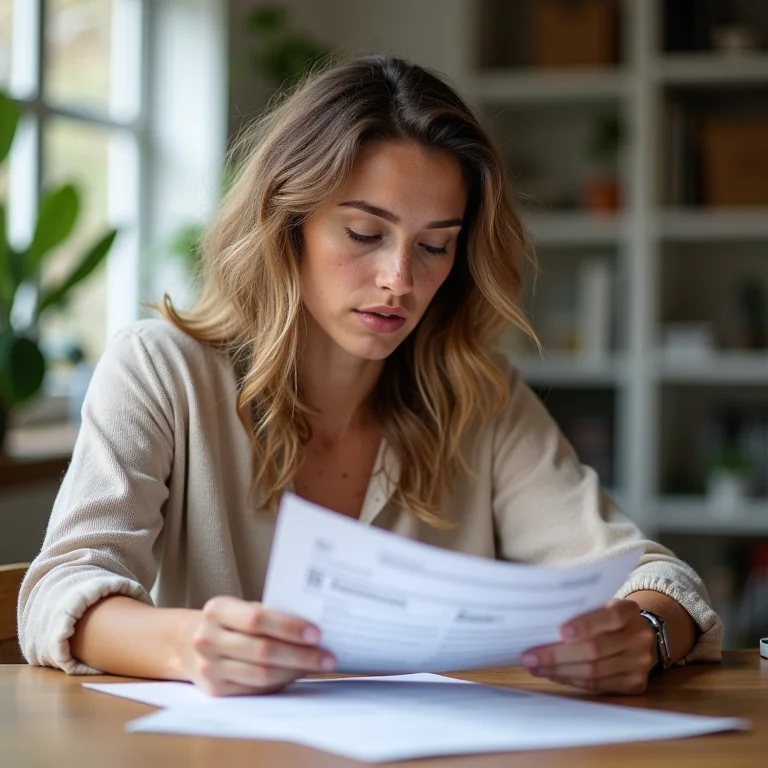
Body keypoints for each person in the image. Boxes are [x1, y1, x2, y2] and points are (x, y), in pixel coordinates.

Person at [18, 54, 721, 697]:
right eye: (364, 234)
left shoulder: (482, 399)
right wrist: (188, 644)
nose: (400, 280)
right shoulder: (161, 370)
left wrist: (646, 633)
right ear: (286, 221)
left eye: (436, 246)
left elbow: (657, 578)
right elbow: (63, 588)